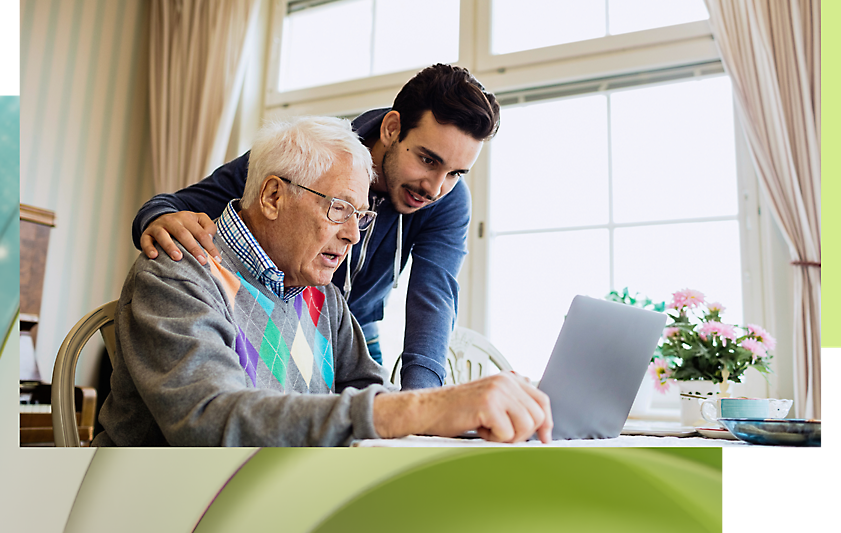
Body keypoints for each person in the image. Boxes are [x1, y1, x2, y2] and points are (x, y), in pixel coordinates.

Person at [94, 117, 551, 447]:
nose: (354, 234)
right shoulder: (179, 271)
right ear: (273, 195)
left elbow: (375, 394)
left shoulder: (323, 297)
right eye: (339, 209)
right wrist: (421, 409)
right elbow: (211, 422)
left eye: (360, 215)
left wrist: (461, 413)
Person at [132, 63, 499, 390]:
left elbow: (434, 296)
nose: (435, 188)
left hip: (349, 329)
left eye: (455, 173)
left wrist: (422, 403)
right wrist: (158, 219)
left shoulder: (447, 200)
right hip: (274, 313)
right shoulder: (315, 157)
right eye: (427, 159)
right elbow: (181, 205)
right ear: (392, 129)